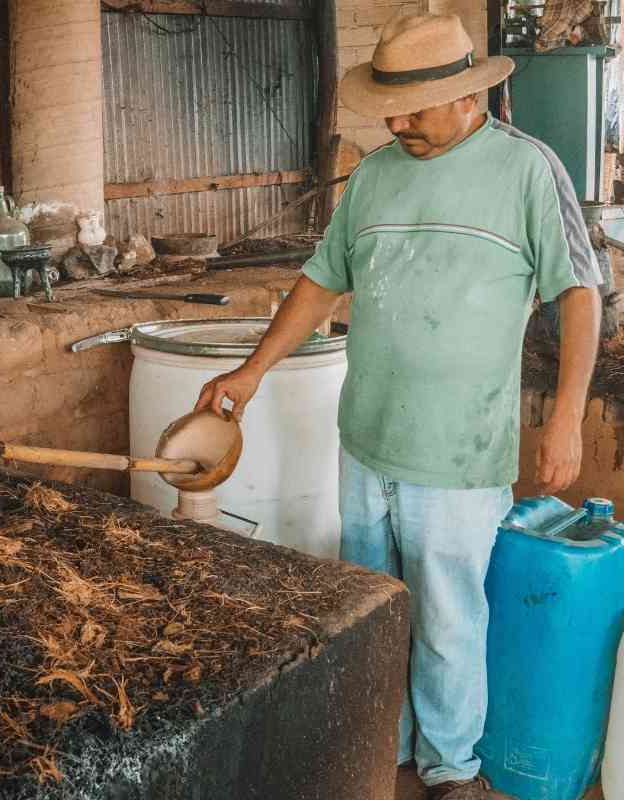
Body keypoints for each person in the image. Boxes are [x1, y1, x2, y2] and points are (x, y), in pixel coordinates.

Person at [195, 13, 602, 800]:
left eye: (413, 108)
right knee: (373, 610)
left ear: (464, 98)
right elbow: (320, 279)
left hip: (455, 453)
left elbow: (578, 294)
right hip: (366, 440)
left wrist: (566, 416)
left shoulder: (526, 170)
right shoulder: (377, 174)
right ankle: (385, 747)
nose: (396, 122)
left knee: (450, 619)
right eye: (391, 106)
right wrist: (251, 372)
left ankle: (451, 772)